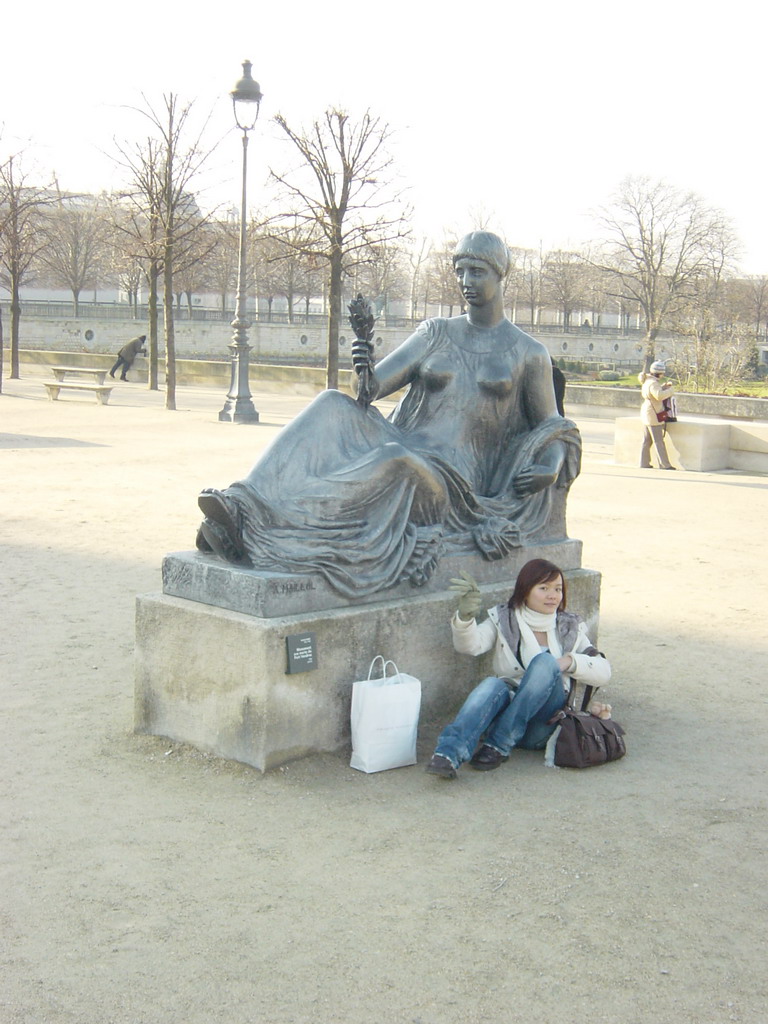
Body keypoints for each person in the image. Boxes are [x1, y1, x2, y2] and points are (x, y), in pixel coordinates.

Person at [195, 232, 581, 598]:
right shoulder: (435, 333)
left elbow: (554, 426)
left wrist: (551, 461)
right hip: (407, 441)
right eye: (459, 271)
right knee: (332, 403)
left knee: (394, 462)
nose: (465, 280)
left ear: (501, 274)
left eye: (477, 271)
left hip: (454, 487)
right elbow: (371, 390)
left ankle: (263, 523)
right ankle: (241, 504)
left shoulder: (529, 353)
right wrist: (363, 363)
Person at [425, 558, 612, 778]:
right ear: (525, 590)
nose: (553, 595)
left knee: (544, 663)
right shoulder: (503, 618)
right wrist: (465, 618)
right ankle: (447, 754)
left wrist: (567, 662)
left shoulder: (569, 626)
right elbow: (472, 646)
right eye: (543, 588)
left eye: (558, 589)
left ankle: (499, 744)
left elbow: (603, 671)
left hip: (542, 725)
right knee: (492, 684)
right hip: (505, 712)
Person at [639, 360, 676, 470]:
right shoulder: (653, 383)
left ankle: (644, 462)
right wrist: (670, 390)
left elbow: (655, 393)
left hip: (647, 413)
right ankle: (664, 464)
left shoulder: (648, 381)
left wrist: (663, 387)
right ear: (659, 373)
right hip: (653, 414)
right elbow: (659, 396)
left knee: (647, 441)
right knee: (658, 441)